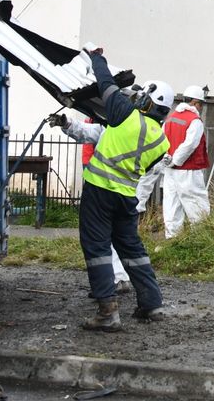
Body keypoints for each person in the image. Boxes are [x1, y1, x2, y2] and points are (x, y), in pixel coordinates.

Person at [73, 48, 173, 332]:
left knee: (97, 247)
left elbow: (106, 84)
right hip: (127, 197)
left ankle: (108, 312)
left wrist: (96, 58)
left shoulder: (125, 114)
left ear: (147, 102)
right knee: (131, 247)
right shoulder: (162, 142)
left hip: (99, 190)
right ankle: (151, 303)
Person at [48, 114, 131, 296]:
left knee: (102, 238)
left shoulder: (116, 126)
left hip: (107, 191)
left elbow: (89, 133)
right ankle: (120, 278)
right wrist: (67, 123)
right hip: (125, 193)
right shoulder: (134, 127)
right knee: (120, 238)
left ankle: (112, 284)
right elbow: (87, 132)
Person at [160, 85, 211, 238]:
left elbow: (161, 141)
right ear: (195, 102)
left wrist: (168, 160)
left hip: (169, 170)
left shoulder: (169, 118)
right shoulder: (194, 121)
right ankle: (201, 237)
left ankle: (172, 237)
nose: (201, 107)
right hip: (188, 169)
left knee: (171, 204)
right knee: (196, 203)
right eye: (201, 104)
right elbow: (189, 145)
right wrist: (176, 160)